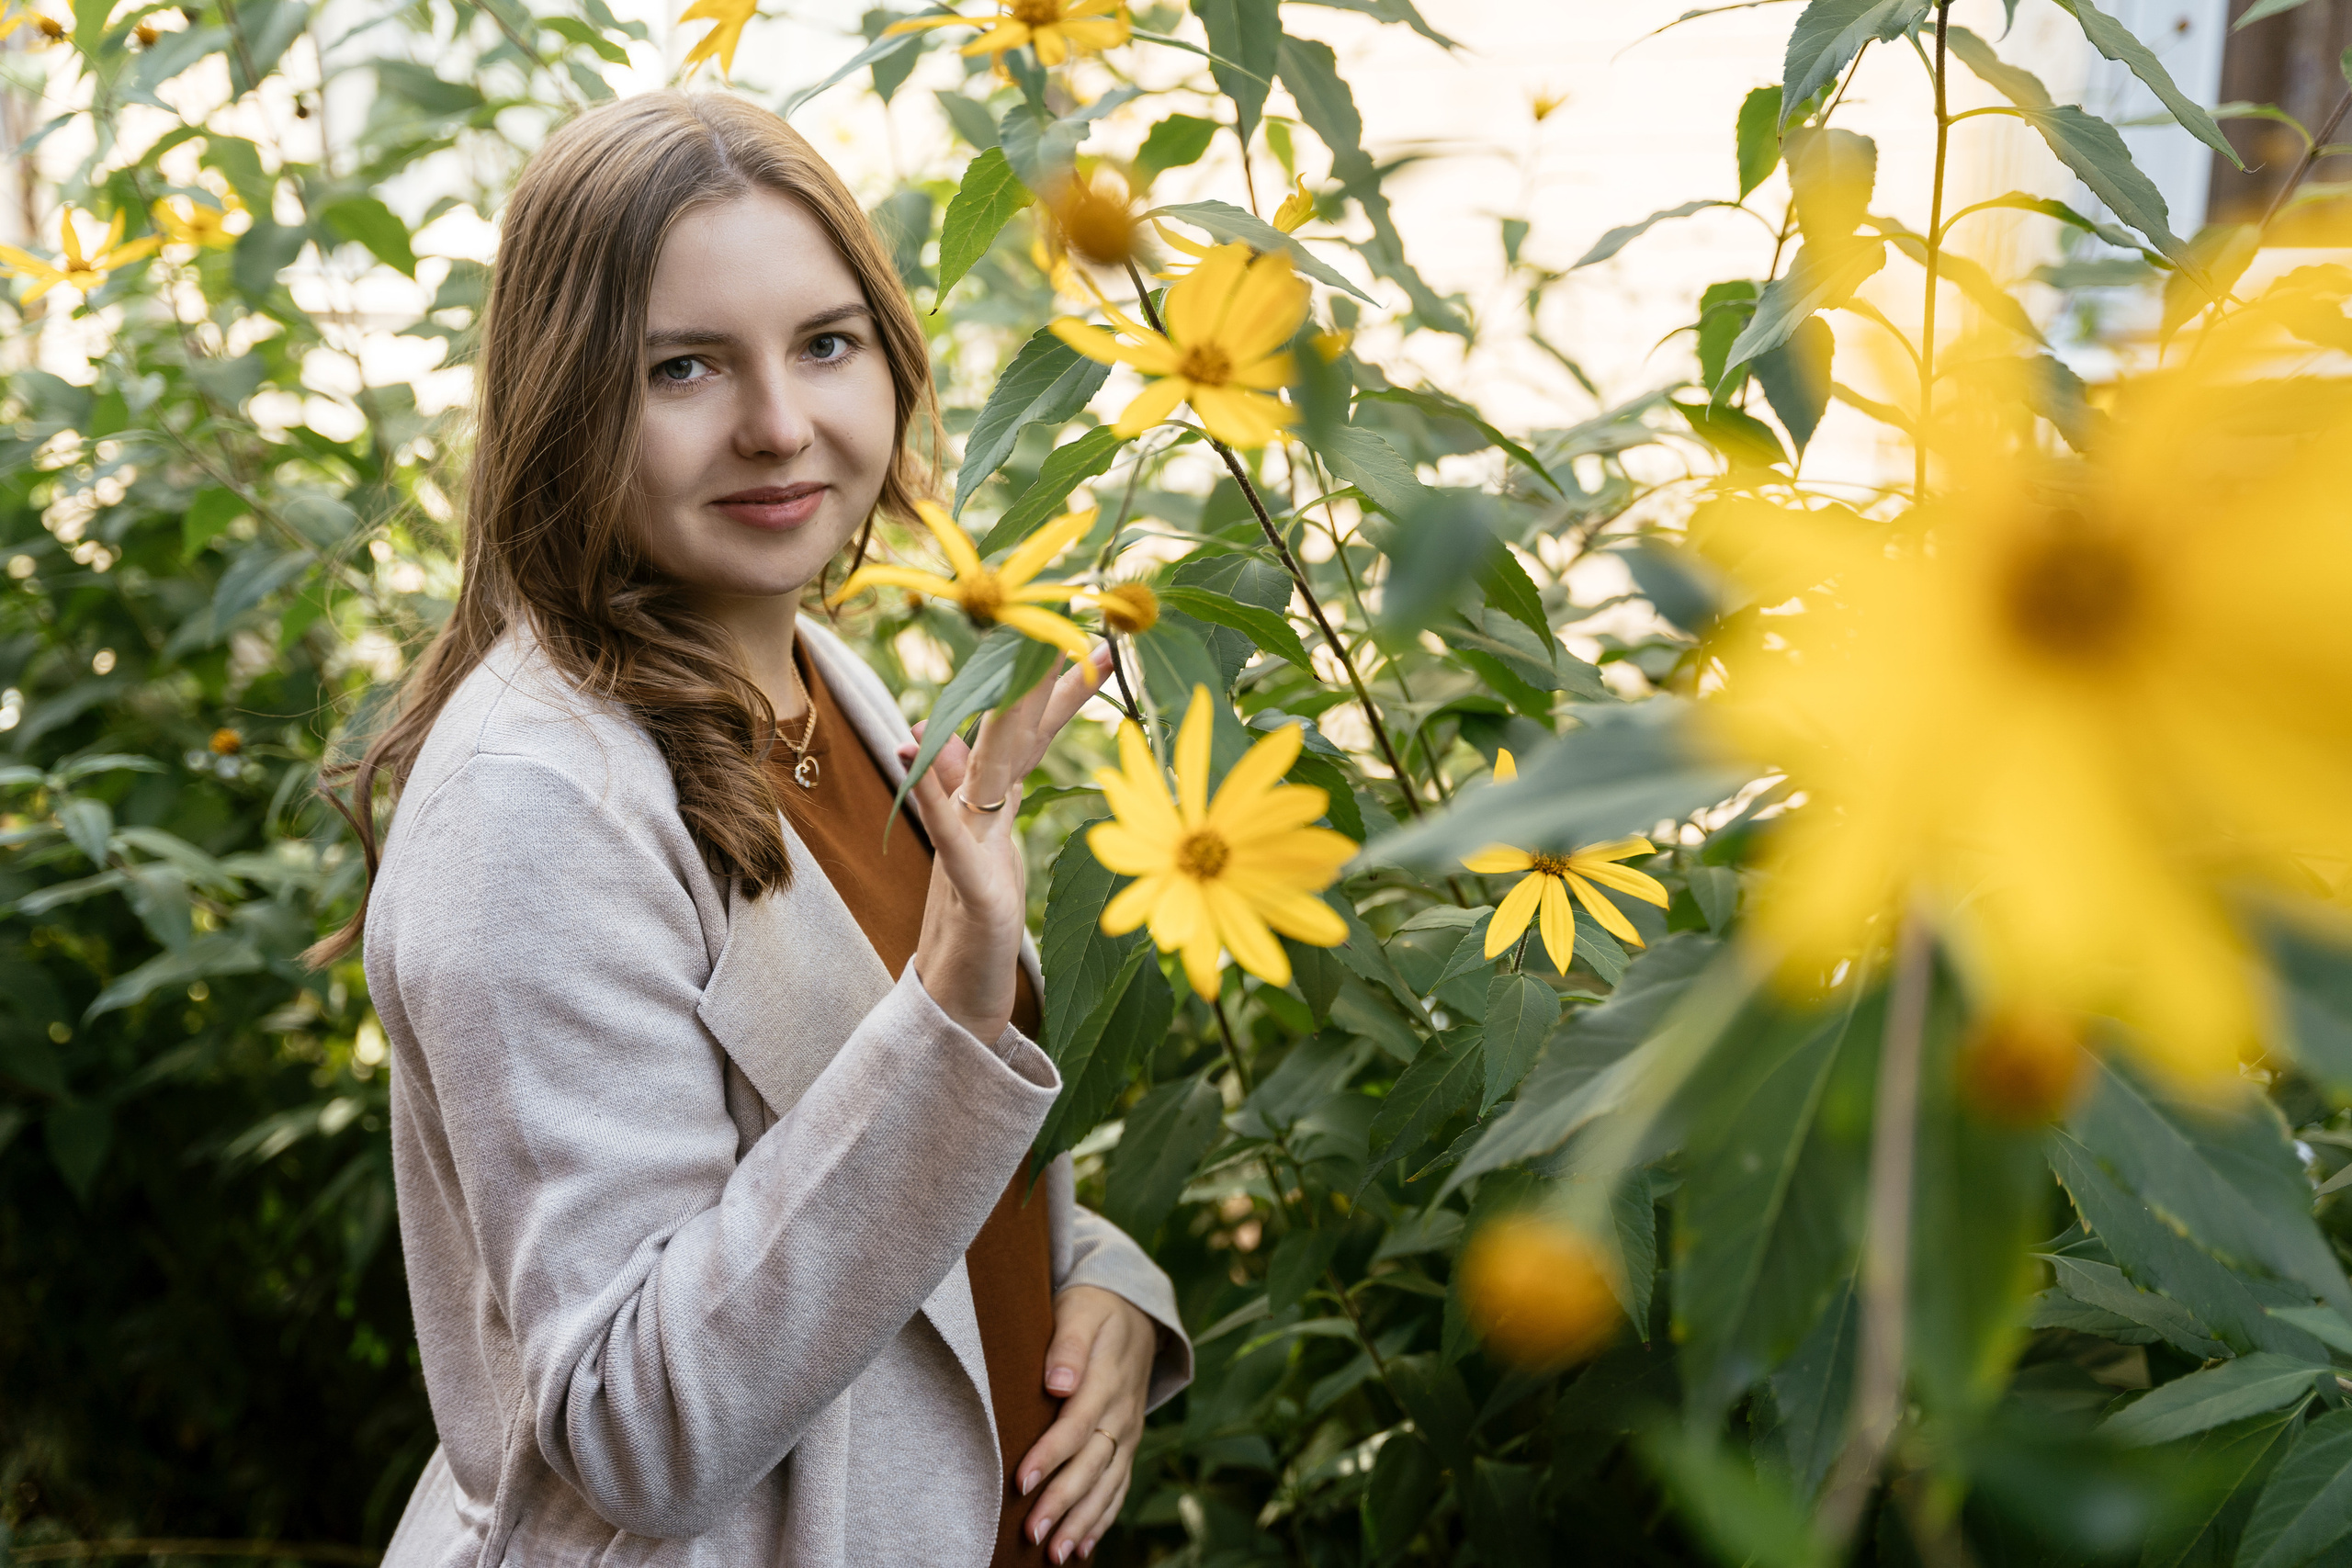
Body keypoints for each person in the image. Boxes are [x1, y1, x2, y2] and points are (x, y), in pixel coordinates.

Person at [314, 89, 1189, 1567]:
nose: (781, 426)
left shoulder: (811, 674)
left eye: (826, 343)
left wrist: (1099, 1279)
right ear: (567, 397)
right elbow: (633, 1422)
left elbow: (849, 1143)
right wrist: (955, 1001)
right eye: (685, 369)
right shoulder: (537, 806)